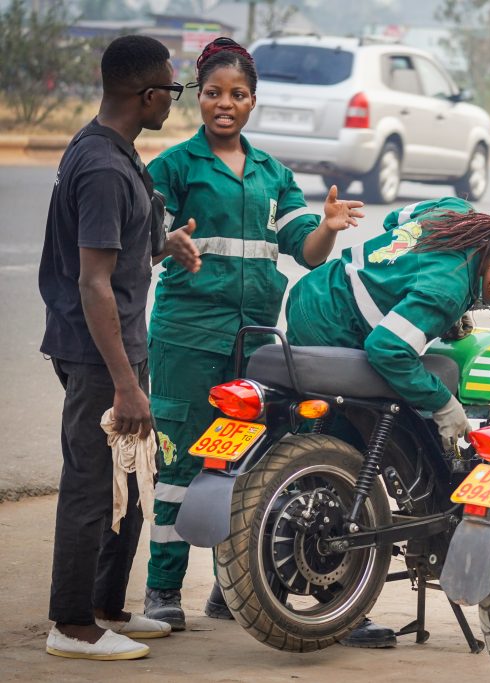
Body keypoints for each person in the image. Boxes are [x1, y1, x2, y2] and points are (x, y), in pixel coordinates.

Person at [141, 37, 366, 636]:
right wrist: (166, 243)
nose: (225, 104)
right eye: (214, 93)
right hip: (188, 337)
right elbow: (143, 240)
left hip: (258, 342)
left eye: (238, 94)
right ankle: (163, 589)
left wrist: (328, 227)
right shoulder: (174, 168)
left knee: (251, 463)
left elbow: (308, 253)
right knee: (181, 463)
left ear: (252, 102)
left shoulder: (274, 174)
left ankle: (232, 588)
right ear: (199, 97)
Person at [39, 34, 202, 661]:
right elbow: (93, 281)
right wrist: (125, 384)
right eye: (174, 89)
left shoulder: (117, 152)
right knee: (90, 485)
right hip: (97, 356)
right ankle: (71, 624)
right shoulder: (104, 166)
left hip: (121, 348)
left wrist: (165, 244)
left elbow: (122, 247)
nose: (175, 99)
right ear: (148, 94)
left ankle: (106, 607)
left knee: (131, 483)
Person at [286, 198, 490, 450]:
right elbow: (388, 350)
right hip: (329, 325)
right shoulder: (447, 292)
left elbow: (394, 221)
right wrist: (442, 403)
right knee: (346, 441)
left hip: (318, 286)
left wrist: (407, 281)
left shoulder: (456, 212)